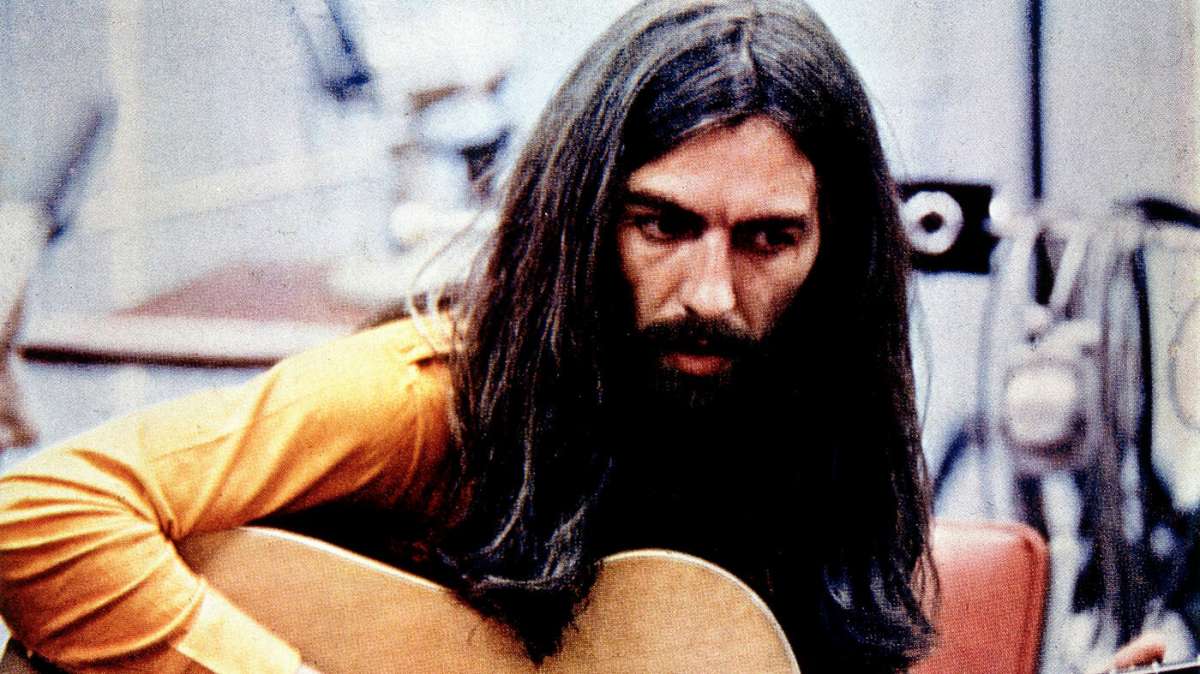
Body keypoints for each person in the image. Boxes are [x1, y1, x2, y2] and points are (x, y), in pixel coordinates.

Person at [2, 1, 1157, 672]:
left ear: (836, 253)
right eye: (663, 224)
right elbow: (41, 509)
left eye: (768, 238)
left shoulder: (823, 448)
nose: (711, 289)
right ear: (583, 218)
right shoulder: (428, 398)